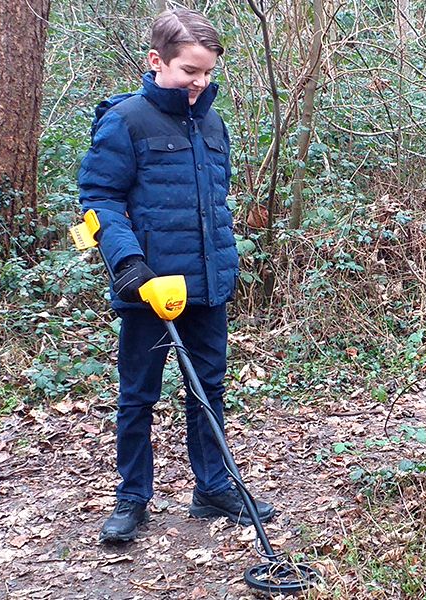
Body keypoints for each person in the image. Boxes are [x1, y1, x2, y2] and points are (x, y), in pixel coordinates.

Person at [77, 8, 275, 544]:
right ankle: (131, 499)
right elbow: (98, 199)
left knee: (208, 388)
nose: (200, 83)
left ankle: (212, 487)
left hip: (208, 286)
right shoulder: (126, 120)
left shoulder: (213, 123)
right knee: (138, 395)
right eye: (190, 71)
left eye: (208, 73)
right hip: (149, 288)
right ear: (156, 61)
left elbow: (214, 203)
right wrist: (129, 264)